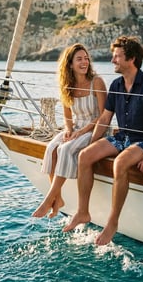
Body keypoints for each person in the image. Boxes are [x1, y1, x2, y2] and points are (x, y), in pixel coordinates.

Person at [63, 36, 143, 245]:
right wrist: (91, 142)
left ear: (131, 59)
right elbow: (105, 118)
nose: (112, 61)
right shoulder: (116, 84)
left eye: (117, 56)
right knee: (85, 156)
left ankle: (112, 222)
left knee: (120, 164)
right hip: (122, 137)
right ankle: (83, 211)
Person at [32, 43, 107, 218]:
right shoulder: (67, 85)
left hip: (96, 129)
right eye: (79, 59)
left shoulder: (97, 82)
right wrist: (68, 130)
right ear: (70, 64)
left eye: (86, 58)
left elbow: (104, 115)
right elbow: (67, 116)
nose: (85, 62)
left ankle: (48, 198)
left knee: (65, 149)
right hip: (77, 128)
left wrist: (80, 133)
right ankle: (58, 198)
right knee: (52, 148)